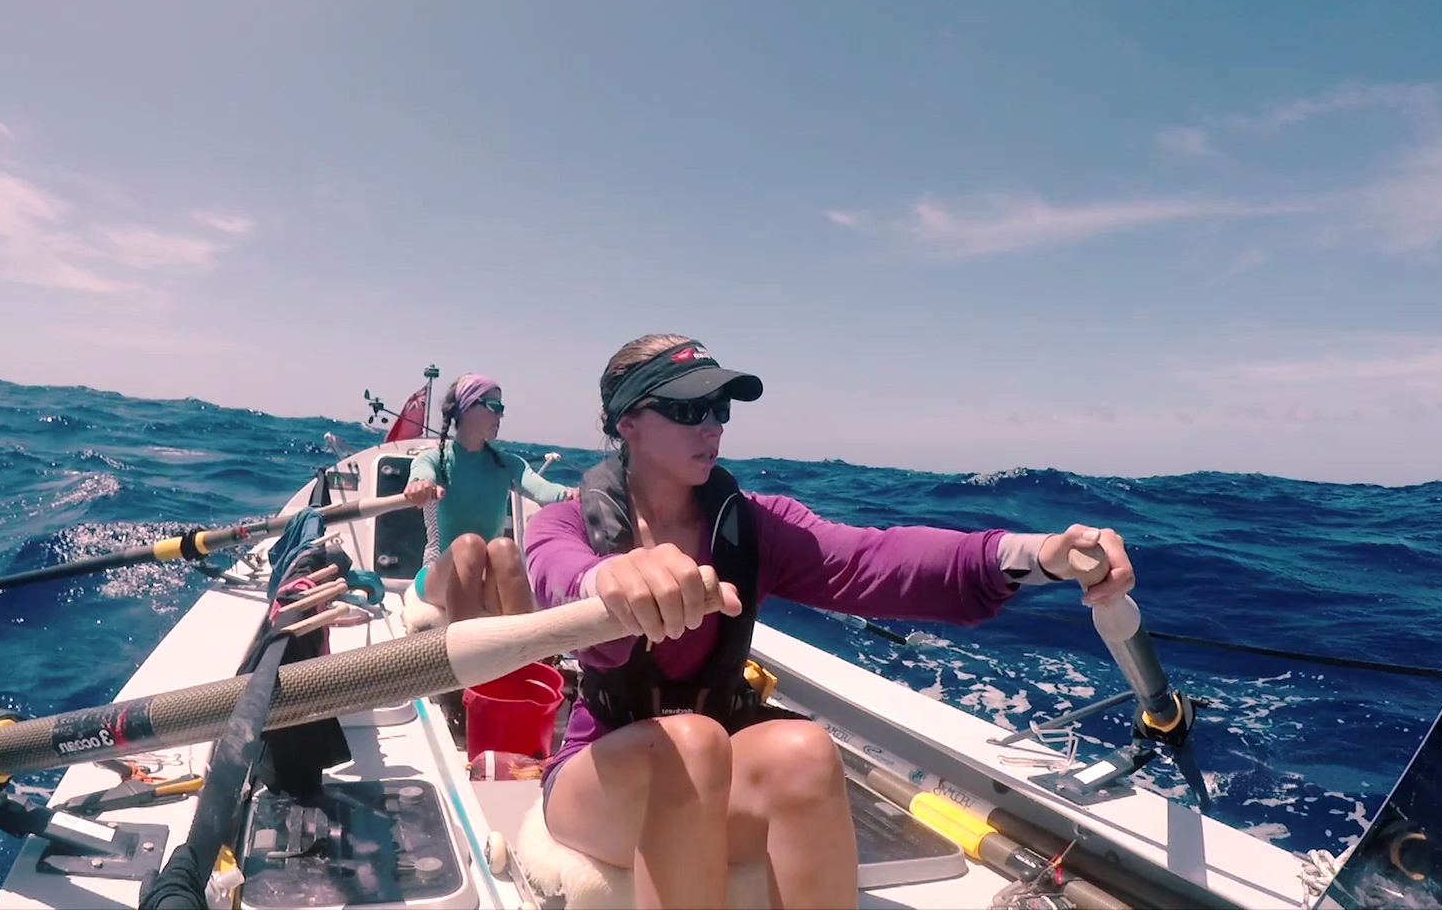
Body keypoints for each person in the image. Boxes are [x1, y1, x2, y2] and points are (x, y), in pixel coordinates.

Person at [523, 334, 1137, 909]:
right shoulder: (565, 527)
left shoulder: (752, 527)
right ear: (626, 423)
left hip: (710, 766)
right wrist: (613, 583)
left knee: (807, 751)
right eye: (687, 410)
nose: (711, 426)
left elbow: (873, 561)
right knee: (692, 744)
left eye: (719, 409)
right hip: (597, 778)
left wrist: (1039, 556)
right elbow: (560, 580)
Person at [404, 373, 576, 623]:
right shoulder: (433, 459)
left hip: (486, 575)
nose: (500, 415)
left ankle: (525, 644)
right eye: (494, 407)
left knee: (504, 547)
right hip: (435, 575)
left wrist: (573, 495)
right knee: (470, 545)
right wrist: (421, 486)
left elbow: (544, 491)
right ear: (467, 408)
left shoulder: (507, 464)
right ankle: (467, 644)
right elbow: (421, 475)